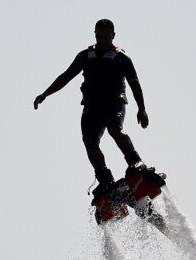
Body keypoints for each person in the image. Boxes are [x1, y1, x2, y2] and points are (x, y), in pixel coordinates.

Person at [34, 19, 149, 189]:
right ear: (95, 34)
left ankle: (135, 162)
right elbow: (65, 77)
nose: (102, 40)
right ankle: (105, 179)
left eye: (106, 37)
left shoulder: (121, 58)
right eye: (99, 36)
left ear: (113, 35)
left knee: (115, 130)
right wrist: (45, 94)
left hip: (114, 103)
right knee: (89, 140)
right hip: (92, 106)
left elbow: (134, 83)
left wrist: (142, 109)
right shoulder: (85, 56)